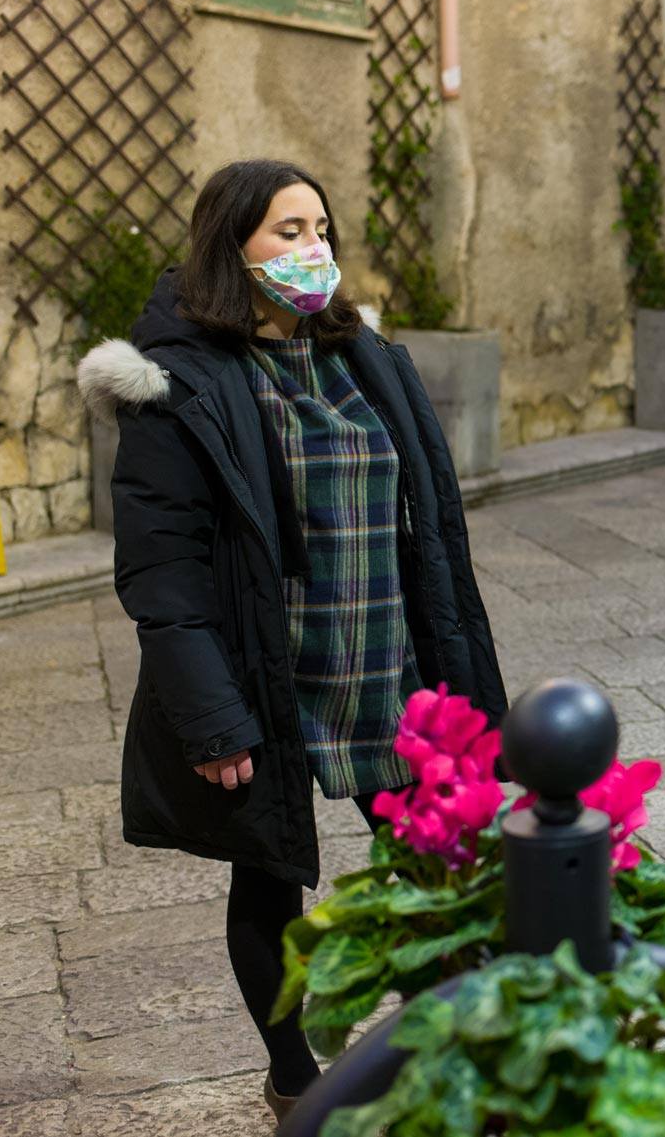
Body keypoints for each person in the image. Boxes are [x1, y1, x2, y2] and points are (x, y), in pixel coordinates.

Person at [76, 159, 505, 1120]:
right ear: (231, 248)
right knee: (270, 879)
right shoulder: (177, 383)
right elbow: (164, 574)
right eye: (287, 232)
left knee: (436, 869)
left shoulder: (368, 358)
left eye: (322, 231)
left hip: (384, 665)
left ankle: (449, 1053)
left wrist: (459, 667)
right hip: (267, 675)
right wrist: (212, 716)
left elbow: (430, 528)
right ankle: (294, 1079)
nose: (315, 251)